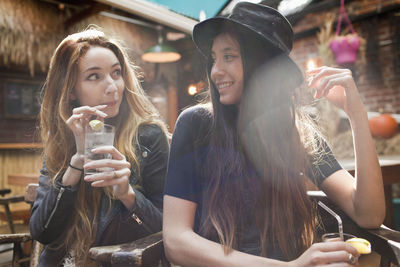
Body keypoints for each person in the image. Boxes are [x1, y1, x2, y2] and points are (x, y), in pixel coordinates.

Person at [163, 2, 385, 266]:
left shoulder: (297, 134)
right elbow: (176, 240)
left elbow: (369, 214)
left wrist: (356, 115)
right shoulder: (196, 125)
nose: (215, 71)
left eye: (229, 56)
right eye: (214, 58)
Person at [30, 27, 169, 266]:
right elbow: (43, 233)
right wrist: (76, 164)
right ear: (71, 90)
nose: (112, 87)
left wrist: (128, 195)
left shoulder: (147, 136)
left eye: (116, 73)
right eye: (94, 76)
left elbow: (165, 229)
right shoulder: (63, 139)